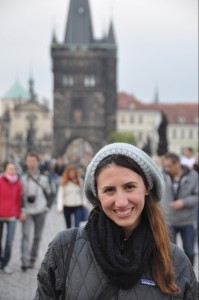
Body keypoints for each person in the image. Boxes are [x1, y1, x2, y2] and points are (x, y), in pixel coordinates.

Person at [33, 143, 198, 299]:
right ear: (97, 196)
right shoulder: (65, 247)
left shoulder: (175, 261)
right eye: (109, 190)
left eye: (129, 187)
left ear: (147, 187)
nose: (121, 202)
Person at [161, 152, 198, 266]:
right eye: (165, 166)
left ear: (177, 164)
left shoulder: (193, 175)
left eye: (169, 166)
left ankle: (190, 275)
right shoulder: (162, 175)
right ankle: (172, 276)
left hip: (187, 221)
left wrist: (184, 202)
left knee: (190, 252)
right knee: (169, 253)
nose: (167, 168)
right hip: (169, 221)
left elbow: (197, 196)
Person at [20, 152, 52, 271]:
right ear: (26, 162)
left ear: (37, 162)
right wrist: (22, 209)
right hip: (27, 211)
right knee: (25, 235)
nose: (31, 163)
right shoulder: (22, 178)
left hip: (40, 210)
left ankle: (32, 259)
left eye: (33, 161)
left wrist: (47, 207)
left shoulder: (44, 178)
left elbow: (51, 193)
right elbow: (20, 196)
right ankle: (24, 260)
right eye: (29, 161)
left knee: (37, 236)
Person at [0, 162, 24, 274]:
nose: (11, 170)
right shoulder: (0, 181)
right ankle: (1, 261)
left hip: (12, 215)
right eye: (9, 168)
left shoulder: (18, 183)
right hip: (0, 214)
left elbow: (19, 199)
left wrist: (19, 213)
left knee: (9, 241)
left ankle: (6, 263)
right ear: (5, 170)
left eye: (13, 168)